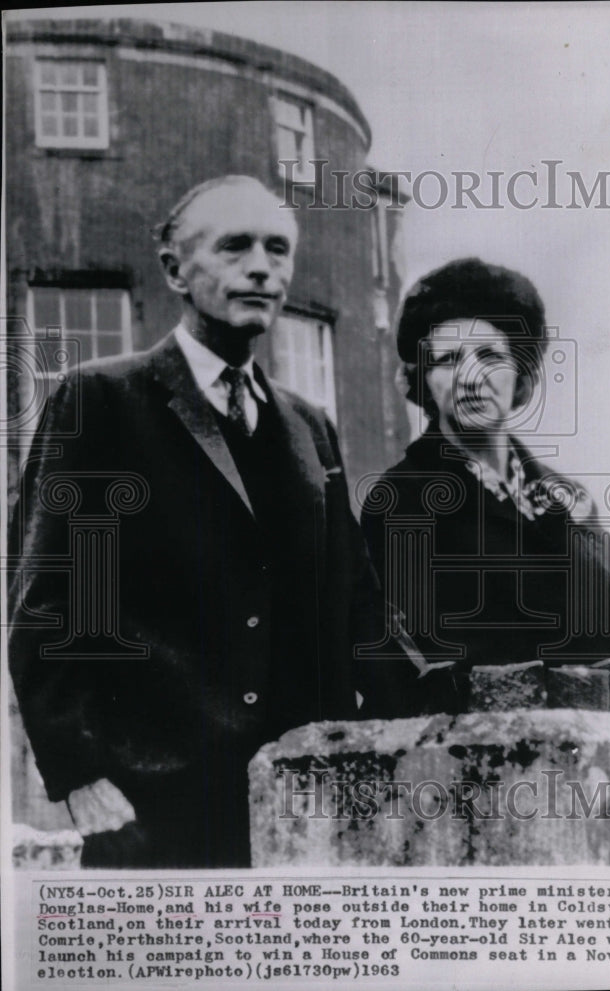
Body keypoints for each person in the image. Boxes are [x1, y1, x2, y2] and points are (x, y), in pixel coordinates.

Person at [8, 175, 398, 868]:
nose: (261, 267)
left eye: (278, 250)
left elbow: (359, 607)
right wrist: (80, 773)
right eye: (234, 246)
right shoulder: (101, 399)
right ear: (174, 270)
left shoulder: (311, 428)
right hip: (151, 808)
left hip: (300, 806)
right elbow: (52, 598)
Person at [360, 257, 610, 715]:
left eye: (490, 355)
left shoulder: (567, 496)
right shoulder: (400, 499)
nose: (471, 376)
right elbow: (416, 659)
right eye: (448, 359)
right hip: (496, 755)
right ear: (423, 381)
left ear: (519, 372)